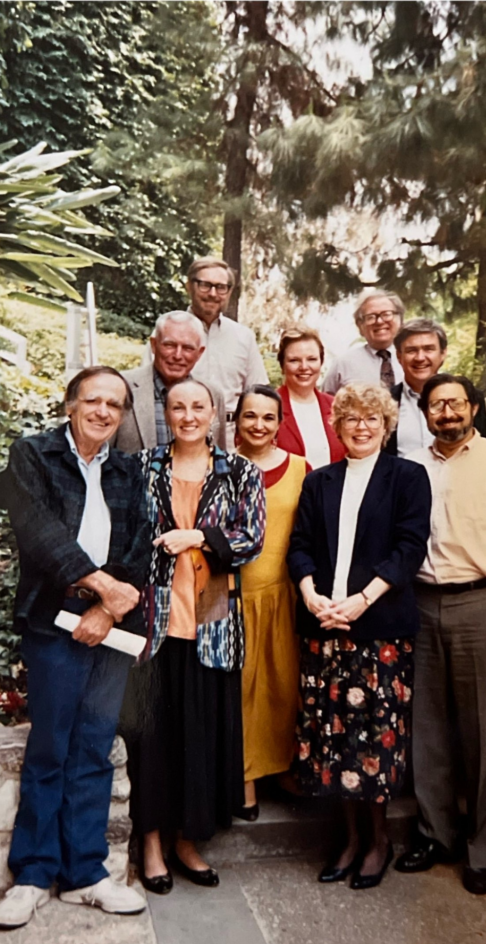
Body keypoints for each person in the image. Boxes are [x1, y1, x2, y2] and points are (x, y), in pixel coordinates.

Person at [0, 367, 150, 930]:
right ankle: (34, 875)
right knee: (50, 747)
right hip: (52, 619)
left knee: (92, 748)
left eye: (116, 404)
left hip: (108, 625)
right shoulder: (33, 456)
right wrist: (101, 585)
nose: (104, 412)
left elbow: (141, 539)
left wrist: (109, 606)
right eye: (94, 400)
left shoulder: (128, 469)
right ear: (70, 403)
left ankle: (86, 874)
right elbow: (39, 533)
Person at [396, 372, 486, 895]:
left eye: (456, 403)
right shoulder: (410, 466)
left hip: (483, 601)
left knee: (482, 731)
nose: (447, 413)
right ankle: (436, 835)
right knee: (427, 727)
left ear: (473, 408)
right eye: (437, 405)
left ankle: (483, 847)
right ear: (425, 413)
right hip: (421, 602)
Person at [122, 378, 265, 894]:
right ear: (166, 412)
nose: (187, 415)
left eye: (197, 406)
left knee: (200, 739)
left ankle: (188, 840)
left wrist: (200, 536)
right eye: (177, 406)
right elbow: (126, 533)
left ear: (214, 412)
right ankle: (154, 843)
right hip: (155, 622)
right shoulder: (143, 466)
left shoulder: (240, 470)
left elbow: (252, 538)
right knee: (153, 740)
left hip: (211, 623)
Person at [287, 383, 431, 890]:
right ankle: (348, 840)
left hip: (379, 631)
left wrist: (362, 599)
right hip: (325, 627)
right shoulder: (320, 480)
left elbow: (409, 549)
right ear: (338, 425)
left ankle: (378, 841)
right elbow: (299, 544)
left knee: (372, 740)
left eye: (372, 419)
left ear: (386, 425)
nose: (362, 427)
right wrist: (310, 594)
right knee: (331, 741)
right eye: (351, 419)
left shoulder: (407, 477)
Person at [235, 385, 308, 819]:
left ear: (280, 424)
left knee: (284, 687)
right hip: (235, 598)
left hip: (286, 595)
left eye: (267, 417)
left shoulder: (302, 469)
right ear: (237, 421)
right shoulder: (221, 468)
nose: (258, 425)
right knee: (241, 690)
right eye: (250, 416)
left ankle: (283, 768)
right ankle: (244, 779)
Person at [118, 310, 228, 452]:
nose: (177, 355)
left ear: (199, 353)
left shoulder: (213, 394)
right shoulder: (122, 387)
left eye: (188, 348)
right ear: (154, 345)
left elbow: (220, 457)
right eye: (169, 345)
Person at [186, 256, 268, 447]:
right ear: (189, 286)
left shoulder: (243, 337)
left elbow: (258, 393)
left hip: (231, 440)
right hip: (181, 434)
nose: (213, 293)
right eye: (205, 285)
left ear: (229, 292)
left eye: (221, 287)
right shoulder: (169, 330)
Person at [385, 318, 486, 455]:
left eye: (429, 349)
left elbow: (482, 451)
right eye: (411, 350)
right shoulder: (385, 402)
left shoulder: (470, 398)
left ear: (443, 353)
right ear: (399, 356)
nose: (420, 357)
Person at [276, 324, 346, 468]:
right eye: (294, 360)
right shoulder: (269, 407)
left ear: (321, 362)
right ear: (282, 365)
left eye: (312, 359)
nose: (304, 367)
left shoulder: (337, 407)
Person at [321, 290, 405, 395]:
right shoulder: (343, 364)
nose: (379, 321)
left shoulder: (416, 359)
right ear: (360, 326)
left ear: (400, 320)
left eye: (387, 314)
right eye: (370, 317)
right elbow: (326, 405)